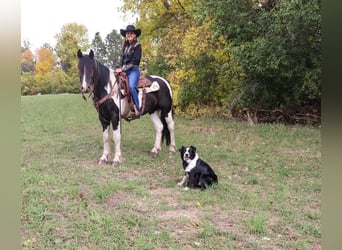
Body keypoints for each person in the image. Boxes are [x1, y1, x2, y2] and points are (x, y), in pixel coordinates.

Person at [115, 25, 142, 118]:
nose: (129, 34)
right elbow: (122, 60)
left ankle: (137, 109)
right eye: (128, 33)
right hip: (125, 71)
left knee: (131, 87)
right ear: (126, 35)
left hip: (133, 70)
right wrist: (119, 68)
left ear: (135, 35)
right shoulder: (125, 47)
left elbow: (135, 61)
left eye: (131, 33)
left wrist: (122, 69)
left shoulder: (138, 46)